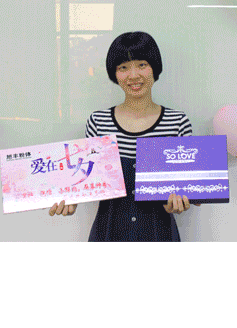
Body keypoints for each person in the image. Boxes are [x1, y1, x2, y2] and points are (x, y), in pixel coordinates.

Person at [49, 31, 200, 241]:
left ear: (154, 67)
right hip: (108, 234)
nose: (133, 75)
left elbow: (190, 187)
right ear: (114, 73)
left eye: (142, 65)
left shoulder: (177, 123)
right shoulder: (98, 122)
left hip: (159, 235)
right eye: (123, 67)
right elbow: (85, 180)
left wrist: (181, 200)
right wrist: (71, 198)